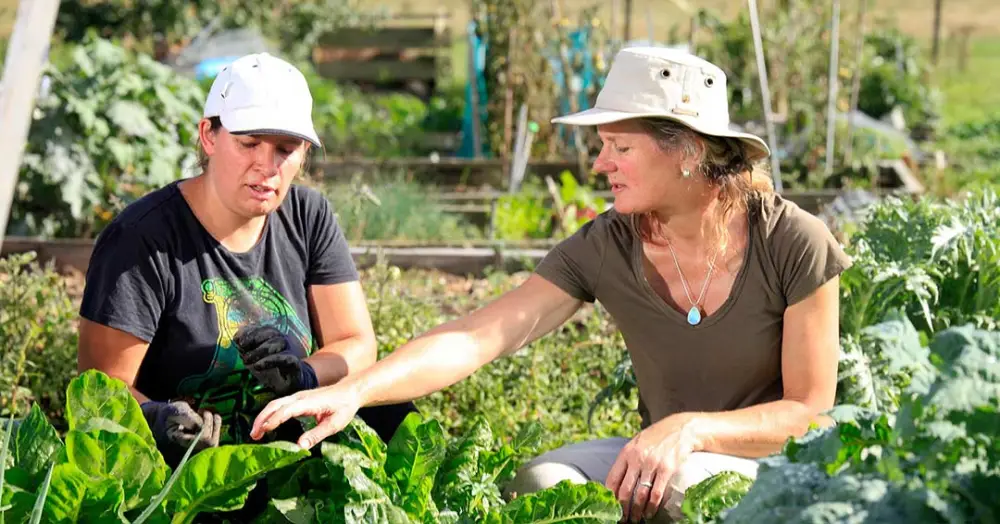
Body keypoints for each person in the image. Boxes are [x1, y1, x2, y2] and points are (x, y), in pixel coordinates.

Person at [248, 47, 850, 522]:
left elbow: (809, 414)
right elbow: (479, 336)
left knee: (688, 491)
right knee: (540, 487)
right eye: (601, 146)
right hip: (657, 459)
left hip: (773, 468)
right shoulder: (608, 244)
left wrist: (690, 429)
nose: (598, 164)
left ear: (687, 150)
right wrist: (356, 390)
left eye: (619, 146)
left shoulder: (791, 241)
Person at [76, 52, 416, 476]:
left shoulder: (308, 217)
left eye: (286, 150)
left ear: (304, 154)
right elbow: (98, 393)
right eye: (249, 143)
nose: (267, 166)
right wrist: (155, 421)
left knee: (395, 412)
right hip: (184, 482)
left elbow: (356, 344)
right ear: (209, 136)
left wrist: (304, 376)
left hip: (288, 467)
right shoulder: (142, 240)